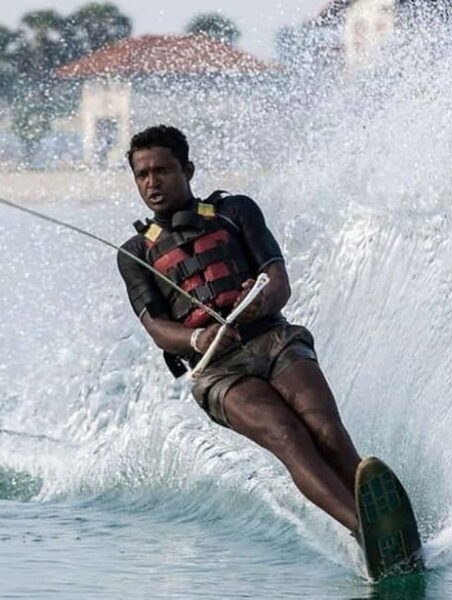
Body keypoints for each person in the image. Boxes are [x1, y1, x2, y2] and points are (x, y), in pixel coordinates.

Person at [117, 125, 362, 536]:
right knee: (289, 437)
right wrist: (199, 338)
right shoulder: (135, 254)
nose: (152, 182)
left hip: (275, 340)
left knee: (324, 429)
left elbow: (278, 278)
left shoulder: (236, 212)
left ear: (188, 169)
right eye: (142, 175)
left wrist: (260, 298)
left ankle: (382, 512)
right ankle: (363, 530)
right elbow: (158, 329)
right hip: (217, 370)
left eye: (163, 170)